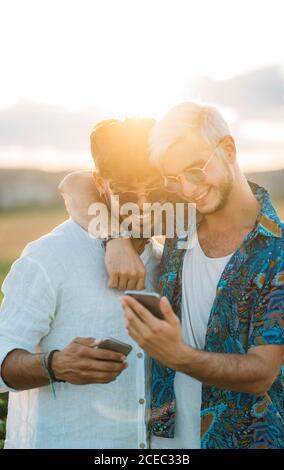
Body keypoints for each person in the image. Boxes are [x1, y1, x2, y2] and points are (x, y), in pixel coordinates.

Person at [120, 102, 284, 449]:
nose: (187, 189)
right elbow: (78, 184)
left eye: (195, 170)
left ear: (227, 149)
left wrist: (177, 355)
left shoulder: (278, 252)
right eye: (173, 179)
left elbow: (261, 372)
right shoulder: (178, 222)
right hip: (165, 442)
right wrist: (113, 242)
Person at [0, 118, 164, 449]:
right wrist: (56, 364)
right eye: (126, 191)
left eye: (156, 188)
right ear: (100, 184)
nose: (144, 204)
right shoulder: (49, 257)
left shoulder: (167, 261)